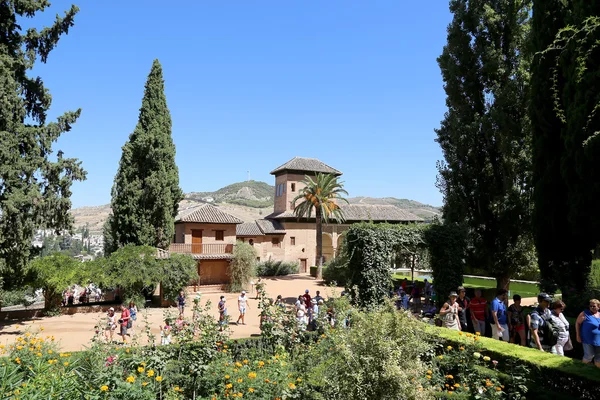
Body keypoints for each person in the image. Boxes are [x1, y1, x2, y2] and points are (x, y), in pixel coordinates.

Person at [575, 298, 600, 367]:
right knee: (589, 355)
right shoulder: (584, 313)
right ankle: (582, 371)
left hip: (599, 340)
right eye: (590, 306)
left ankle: (596, 373)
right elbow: (577, 323)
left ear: (599, 306)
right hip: (587, 339)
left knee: (598, 358)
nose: (592, 307)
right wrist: (578, 335)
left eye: (594, 306)